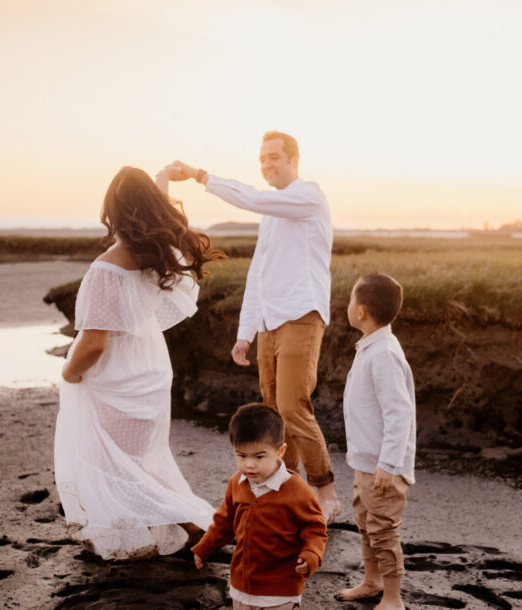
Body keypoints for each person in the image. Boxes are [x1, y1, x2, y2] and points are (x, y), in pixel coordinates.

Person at [158, 131, 341, 523]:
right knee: (274, 414)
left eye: (274, 157)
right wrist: (245, 333)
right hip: (270, 324)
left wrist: (199, 175)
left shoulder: (308, 195)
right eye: (262, 159)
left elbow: (255, 198)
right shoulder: (271, 218)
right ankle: (287, 492)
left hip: (302, 315)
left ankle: (325, 490)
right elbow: (258, 275)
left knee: (294, 406)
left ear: (294, 159)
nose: (267, 165)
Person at [55, 166, 223, 560]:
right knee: (142, 459)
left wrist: (69, 371)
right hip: (148, 370)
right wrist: (160, 181)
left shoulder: (106, 270)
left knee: (116, 463)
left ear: (112, 210)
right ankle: (184, 527)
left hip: (116, 378)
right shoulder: (161, 259)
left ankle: (198, 526)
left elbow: (94, 343)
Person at [192, 403, 327, 610]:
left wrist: (311, 555)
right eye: (241, 455)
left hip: (281, 591)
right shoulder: (236, 484)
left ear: (280, 451)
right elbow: (223, 523)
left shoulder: (299, 492)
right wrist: (204, 547)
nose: (249, 465)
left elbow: (315, 530)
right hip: (241, 587)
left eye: (259, 457)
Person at [335, 274, 416, 609]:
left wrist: (388, 463)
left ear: (362, 311)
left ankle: (393, 598)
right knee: (367, 526)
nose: (348, 305)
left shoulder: (383, 353)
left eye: (351, 300)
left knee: (383, 531)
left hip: (382, 467)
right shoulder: (370, 345)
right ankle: (372, 582)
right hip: (365, 462)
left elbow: (399, 413)